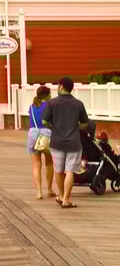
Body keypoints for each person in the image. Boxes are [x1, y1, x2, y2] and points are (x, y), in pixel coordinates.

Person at [42, 76, 90, 209]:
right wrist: (75, 127)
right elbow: (85, 123)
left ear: (61, 86)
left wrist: (55, 128)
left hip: (57, 142)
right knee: (70, 171)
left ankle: (62, 196)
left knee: (58, 170)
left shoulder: (52, 103)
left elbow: (45, 121)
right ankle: (66, 200)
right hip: (74, 143)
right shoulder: (78, 104)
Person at [27, 85, 55, 200]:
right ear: (47, 95)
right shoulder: (50, 106)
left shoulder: (32, 106)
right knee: (49, 163)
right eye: (50, 94)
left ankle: (39, 192)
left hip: (33, 134)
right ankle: (49, 189)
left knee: (36, 165)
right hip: (47, 134)